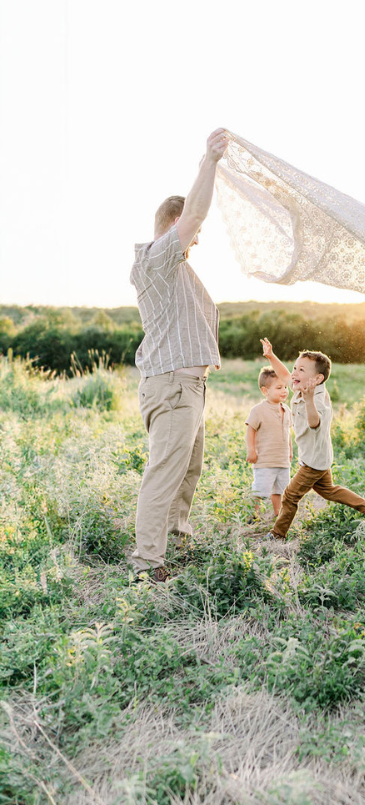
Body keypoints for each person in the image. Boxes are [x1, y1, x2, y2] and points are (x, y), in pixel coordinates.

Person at [129, 128, 230, 582]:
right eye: (193, 232)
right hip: (171, 386)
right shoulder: (155, 261)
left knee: (188, 471)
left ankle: (177, 538)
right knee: (164, 474)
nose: (197, 240)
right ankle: (148, 563)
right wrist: (209, 162)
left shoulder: (179, 271)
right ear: (176, 226)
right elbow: (195, 213)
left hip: (190, 388)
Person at [259, 338, 365, 540]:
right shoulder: (302, 387)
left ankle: (277, 534)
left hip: (313, 462)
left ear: (317, 379)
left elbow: (314, 422)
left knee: (290, 495)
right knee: (329, 491)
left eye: (301, 370)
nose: (294, 374)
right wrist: (271, 356)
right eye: (295, 368)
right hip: (317, 455)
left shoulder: (317, 399)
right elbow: (284, 376)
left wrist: (309, 400)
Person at [245, 366, 293, 521]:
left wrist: (290, 451)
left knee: (280, 490)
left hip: (282, 460)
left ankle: (278, 514)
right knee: (260, 490)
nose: (284, 390)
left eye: (285, 387)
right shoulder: (258, 410)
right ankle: (254, 514)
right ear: (265, 391)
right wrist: (251, 450)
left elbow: (288, 433)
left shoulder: (287, 409)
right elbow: (250, 430)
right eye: (279, 387)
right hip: (265, 460)